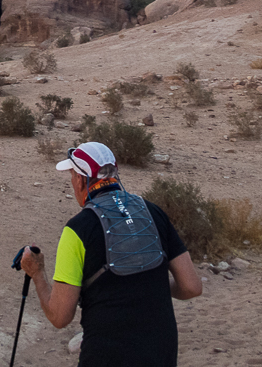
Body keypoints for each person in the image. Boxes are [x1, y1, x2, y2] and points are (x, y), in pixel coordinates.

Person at [19, 141, 202, 366]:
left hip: (106, 356)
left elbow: (59, 316)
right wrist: (150, 287)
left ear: (79, 180)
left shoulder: (77, 230)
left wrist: (37, 273)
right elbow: (191, 286)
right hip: (161, 354)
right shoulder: (153, 212)